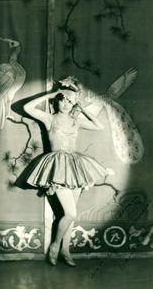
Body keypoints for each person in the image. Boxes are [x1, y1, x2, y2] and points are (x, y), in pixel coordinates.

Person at [24, 76, 115, 267]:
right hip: (56, 166)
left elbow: (99, 126)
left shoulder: (76, 120)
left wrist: (82, 109)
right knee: (70, 213)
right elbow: (27, 108)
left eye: (70, 101)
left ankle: (66, 250)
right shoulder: (49, 118)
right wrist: (50, 94)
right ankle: (55, 246)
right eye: (63, 99)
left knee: (71, 214)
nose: (66, 103)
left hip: (75, 166)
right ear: (57, 100)